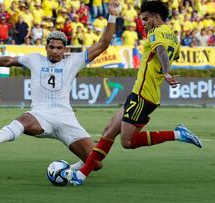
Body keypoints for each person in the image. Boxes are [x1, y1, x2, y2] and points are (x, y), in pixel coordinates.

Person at [0, 1, 121, 170]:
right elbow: (8, 60)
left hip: (66, 118)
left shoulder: (74, 61)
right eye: (51, 47)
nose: (55, 51)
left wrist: (112, 15)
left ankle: (68, 170)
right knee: (23, 119)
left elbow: (103, 43)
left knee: (96, 164)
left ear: (65, 49)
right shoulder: (35, 59)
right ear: (46, 47)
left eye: (59, 48)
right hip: (40, 115)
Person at [69, 0, 203, 186]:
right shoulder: (174, 37)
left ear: (157, 18)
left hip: (143, 96)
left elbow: (162, 52)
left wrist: (165, 72)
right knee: (109, 130)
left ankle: (177, 134)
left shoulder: (156, 33)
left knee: (127, 142)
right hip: (143, 94)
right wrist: (163, 67)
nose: (144, 23)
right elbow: (173, 54)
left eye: (146, 19)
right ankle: (81, 174)